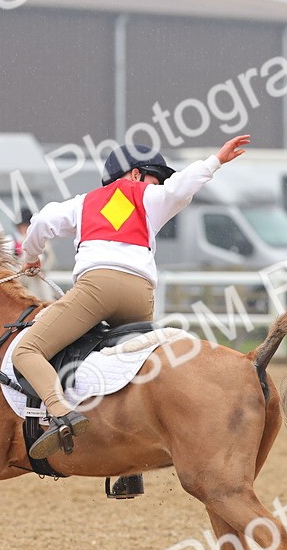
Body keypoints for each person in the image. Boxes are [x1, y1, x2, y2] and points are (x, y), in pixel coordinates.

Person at [13, 135, 251, 459]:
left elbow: (41, 222)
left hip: (96, 290)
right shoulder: (150, 199)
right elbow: (181, 187)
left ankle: (60, 413)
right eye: (155, 176)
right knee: (134, 372)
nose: (157, 183)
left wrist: (32, 255)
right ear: (136, 174)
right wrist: (215, 161)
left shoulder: (83, 202)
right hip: (141, 297)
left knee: (27, 350)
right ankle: (130, 470)